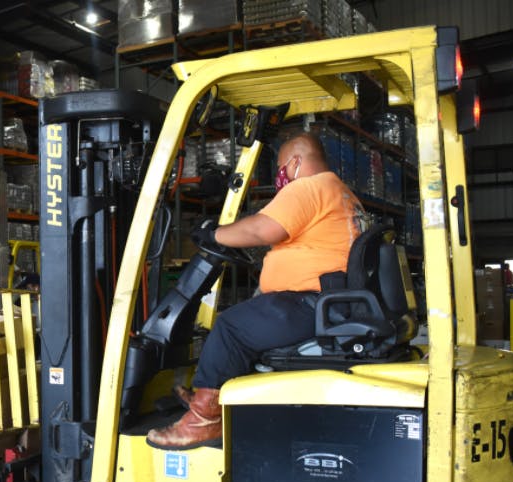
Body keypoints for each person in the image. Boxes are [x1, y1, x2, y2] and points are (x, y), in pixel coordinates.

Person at [147, 131, 367, 449]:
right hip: (330, 304)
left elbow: (261, 228)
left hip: (312, 304)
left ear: (294, 163)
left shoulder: (309, 187)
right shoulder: (340, 192)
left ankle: (202, 421)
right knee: (248, 320)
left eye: (281, 169)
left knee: (231, 327)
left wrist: (214, 234)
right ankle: (211, 397)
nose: (281, 177)